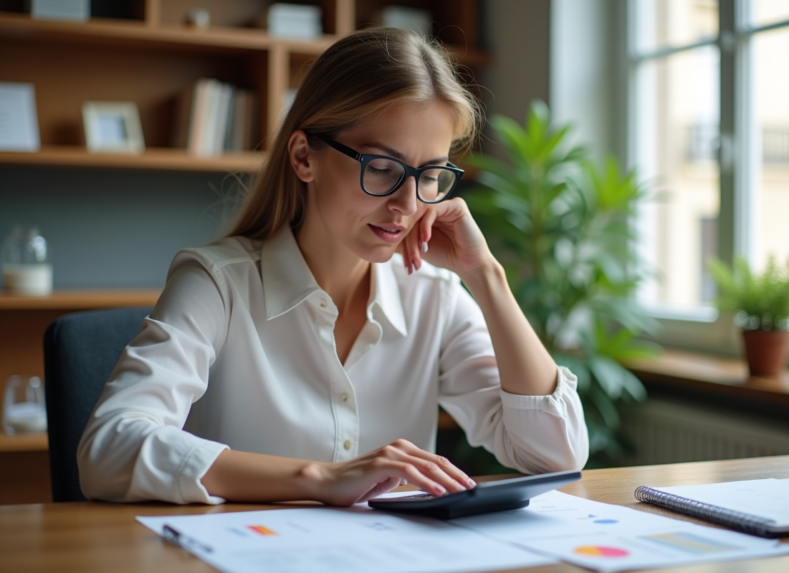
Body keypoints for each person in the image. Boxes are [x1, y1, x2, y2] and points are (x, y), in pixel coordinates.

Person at [78, 28, 589, 506]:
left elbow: (555, 455)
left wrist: (486, 275)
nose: (408, 203)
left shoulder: (435, 296)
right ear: (304, 157)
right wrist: (317, 478)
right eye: (382, 168)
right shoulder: (218, 284)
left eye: (430, 174)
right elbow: (108, 448)